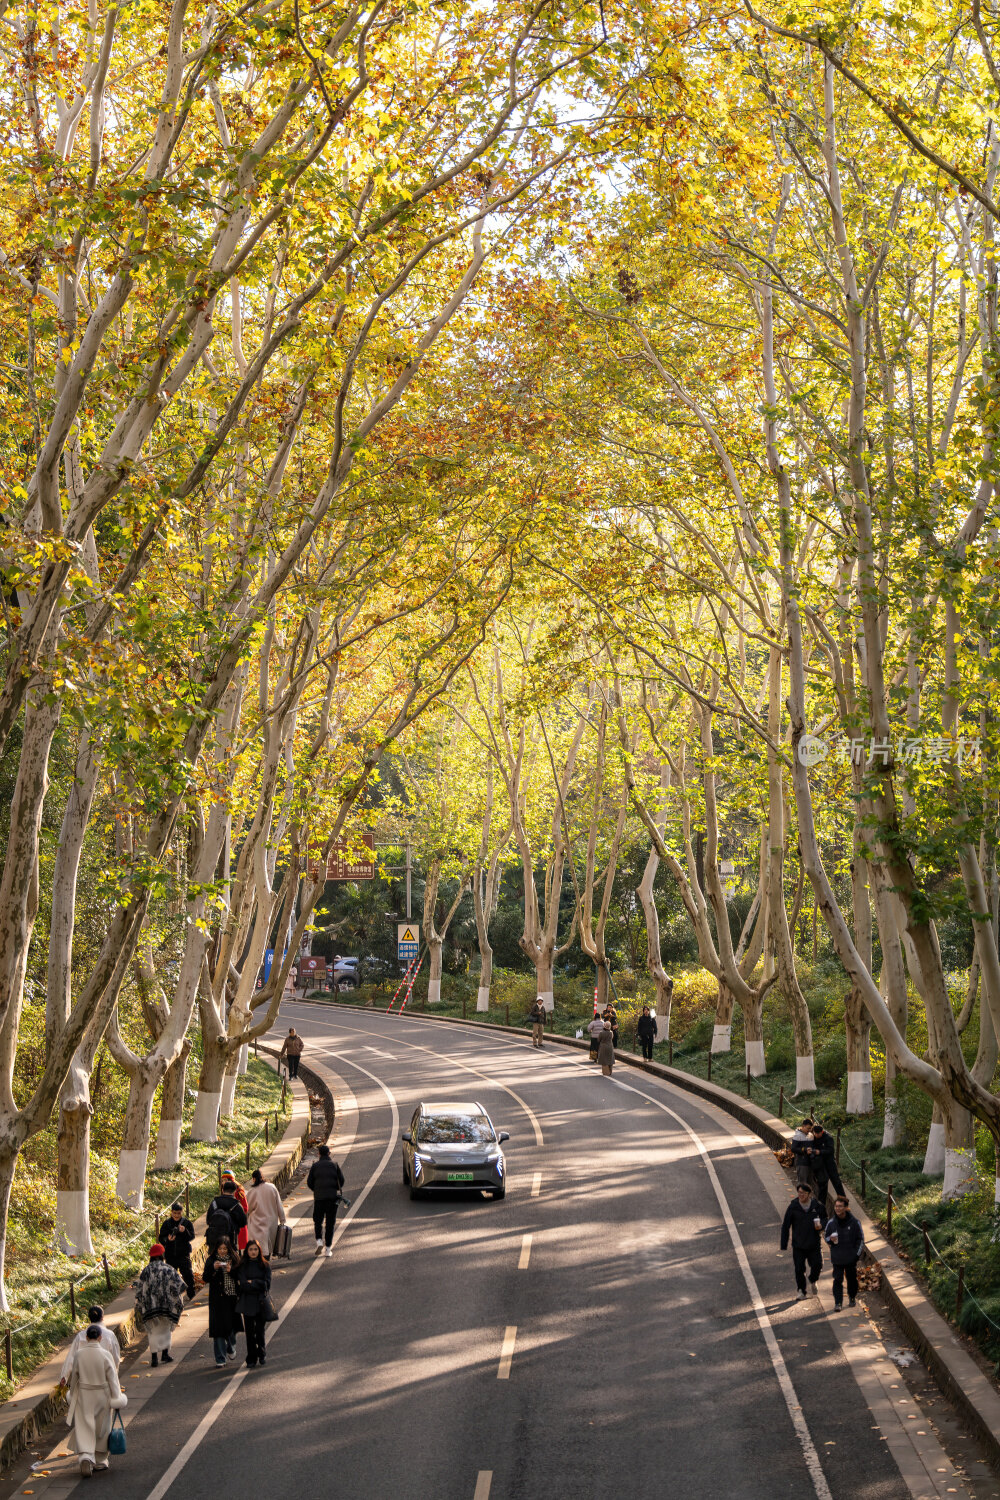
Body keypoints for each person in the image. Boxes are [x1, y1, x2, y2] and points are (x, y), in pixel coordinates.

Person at [66, 1324, 127, 1477]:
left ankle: (86, 1456)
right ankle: (100, 1460)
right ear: (100, 1337)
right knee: (102, 1427)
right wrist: (116, 1397)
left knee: (85, 1425)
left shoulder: (79, 1354)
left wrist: (72, 1394)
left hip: (84, 1393)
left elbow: (75, 1377)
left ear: (86, 1338)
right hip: (102, 1394)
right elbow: (113, 1379)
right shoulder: (105, 1355)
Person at [133, 1243, 186, 1367]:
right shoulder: (168, 1269)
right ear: (163, 1255)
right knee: (166, 1330)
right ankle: (165, 1355)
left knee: (153, 1332)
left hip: (151, 1308)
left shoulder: (146, 1271)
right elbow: (180, 1286)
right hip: (167, 1307)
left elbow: (140, 1289)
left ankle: (154, 1358)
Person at [780, 1182, 826, 1298]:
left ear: (809, 1194)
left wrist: (822, 1225)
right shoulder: (793, 1207)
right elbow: (786, 1225)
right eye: (799, 1192)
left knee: (818, 1265)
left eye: (803, 1193)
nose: (801, 1195)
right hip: (798, 1245)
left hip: (814, 1243)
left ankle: (813, 1279)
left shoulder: (817, 1206)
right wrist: (783, 1244)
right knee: (799, 1269)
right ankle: (801, 1290)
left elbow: (826, 1218)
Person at [203, 1237, 242, 1366]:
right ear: (216, 1249)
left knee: (231, 1327)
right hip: (217, 1299)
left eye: (225, 1248)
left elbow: (241, 1275)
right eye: (220, 1249)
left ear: (229, 1248)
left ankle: (231, 1346)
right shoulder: (211, 1260)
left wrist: (232, 1271)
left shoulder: (235, 1258)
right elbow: (205, 1278)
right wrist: (213, 1268)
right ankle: (220, 1358)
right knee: (218, 1329)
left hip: (231, 1297)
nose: (222, 1251)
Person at [60, 1306, 119, 1388]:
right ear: (102, 1318)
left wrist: (64, 1376)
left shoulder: (80, 1336)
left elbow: (71, 1357)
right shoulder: (109, 1335)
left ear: (89, 1318)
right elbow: (115, 1358)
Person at [237, 1239, 273, 1368]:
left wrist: (253, 1282)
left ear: (259, 1251)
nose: (253, 1252)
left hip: (260, 1302)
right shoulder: (242, 1266)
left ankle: (261, 1353)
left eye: (255, 1249)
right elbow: (243, 1285)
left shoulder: (265, 1265)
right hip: (247, 1303)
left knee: (260, 1331)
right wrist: (255, 1284)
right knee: (250, 1333)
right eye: (251, 1250)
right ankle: (251, 1357)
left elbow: (266, 1285)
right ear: (247, 1251)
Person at [825, 1195, 865, 1311]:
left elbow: (861, 1239)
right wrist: (830, 1240)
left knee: (851, 1279)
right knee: (837, 1280)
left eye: (840, 1206)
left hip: (851, 1258)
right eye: (836, 1206)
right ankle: (838, 1303)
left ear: (846, 1208)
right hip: (837, 1258)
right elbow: (826, 1237)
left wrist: (856, 1255)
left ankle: (852, 1297)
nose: (837, 1209)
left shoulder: (855, 1222)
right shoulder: (831, 1223)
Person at [307, 1143, 345, 1257]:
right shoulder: (334, 1165)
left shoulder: (315, 1166)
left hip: (319, 1198)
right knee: (330, 1223)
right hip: (332, 1198)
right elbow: (341, 1180)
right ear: (329, 1153)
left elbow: (309, 1182)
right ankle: (328, 1249)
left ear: (318, 1154)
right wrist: (335, 1188)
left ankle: (319, 1240)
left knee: (318, 1220)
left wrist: (317, 1190)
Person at [158, 1202, 197, 1299]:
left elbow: (191, 1237)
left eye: (178, 1213)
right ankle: (172, 1297)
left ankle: (191, 1294)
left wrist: (184, 1231)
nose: (176, 1215)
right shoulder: (167, 1223)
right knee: (171, 1277)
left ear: (181, 1212)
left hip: (183, 1254)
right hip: (170, 1254)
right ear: (171, 1212)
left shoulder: (187, 1223)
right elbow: (161, 1237)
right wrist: (167, 1239)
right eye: (175, 1213)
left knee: (188, 1275)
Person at [246, 1167, 287, 1256]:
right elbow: (279, 1204)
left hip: (257, 1222)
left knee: (258, 1244)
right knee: (269, 1243)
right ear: (262, 1177)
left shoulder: (252, 1191)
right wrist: (282, 1219)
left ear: (253, 1179)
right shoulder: (272, 1187)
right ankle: (267, 1261)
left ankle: (259, 1262)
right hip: (271, 1220)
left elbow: (248, 1208)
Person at [205, 1179, 248, 1255]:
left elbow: (208, 1220)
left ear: (222, 1189)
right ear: (235, 1191)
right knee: (231, 1261)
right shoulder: (237, 1205)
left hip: (215, 1240)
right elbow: (243, 1222)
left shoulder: (214, 1202)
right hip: (230, 1239)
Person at [807, 1122, 844, 1203]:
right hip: (820, 1164)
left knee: (836, 1181)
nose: (816, 1135)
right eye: (815, 1133)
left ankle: (842, 1199)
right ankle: (821, 1203)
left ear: (822, 1132)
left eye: (818, 1134)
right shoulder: (813, 1137)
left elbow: (830, 1150)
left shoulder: (828, 1138)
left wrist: (820, 1152)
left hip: (829, 1162)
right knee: (822, 1183)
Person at [221, 1169, 250, 1250]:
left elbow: (245, 1208)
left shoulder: (239, 1192)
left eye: (224, 1180)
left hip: (238, 1226)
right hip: (228, 1226)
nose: (222, 1182)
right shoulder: (223, 1191)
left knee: (238, 1250)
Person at [790, 1118, 816, 1188]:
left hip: (810, 1162)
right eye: (808, 1128)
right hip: (802, 1163)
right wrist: (804, 1150)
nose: (809, 1130)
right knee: (802, 1184)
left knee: (809, 1184)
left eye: (810, 1128)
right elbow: (793, 1148)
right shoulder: (797, 1136)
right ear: (803, 1126)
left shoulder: (811, 1135)